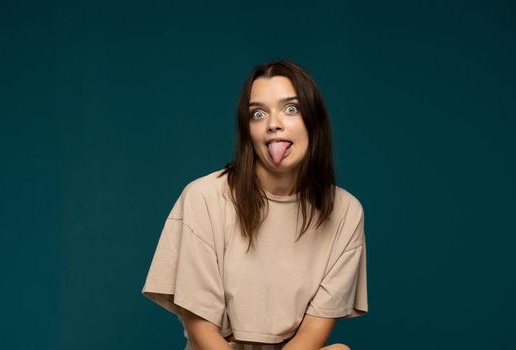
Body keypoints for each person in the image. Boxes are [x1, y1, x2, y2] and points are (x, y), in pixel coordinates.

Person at [143, 60, 366, 350]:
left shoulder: (345, 211)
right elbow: (202, 327)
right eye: (258, 114)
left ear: (314, 121)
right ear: (248, 131)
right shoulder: (204, 197)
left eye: (291, 109)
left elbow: (312, 332)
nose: (273, 124)